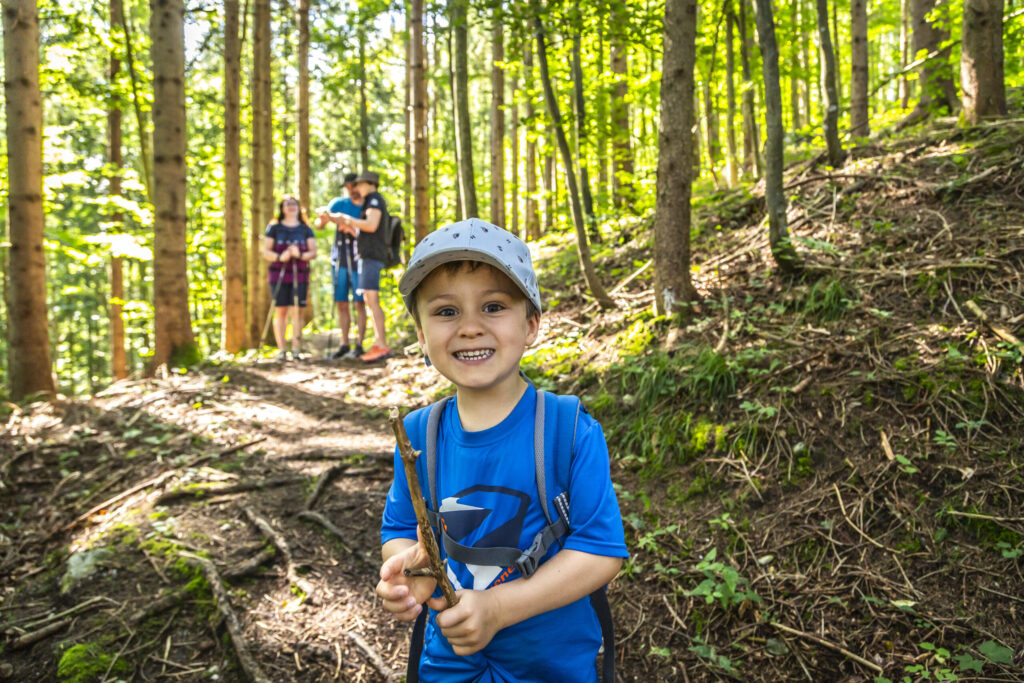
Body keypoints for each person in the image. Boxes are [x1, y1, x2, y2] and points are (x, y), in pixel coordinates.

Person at [377, 218, 628, 681]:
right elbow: (399, 529)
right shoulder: (418, 436)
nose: (470, 328)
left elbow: (600, 550)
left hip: (551, 669)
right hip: (449, 665)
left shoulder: (568, 430)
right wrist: (412, 571)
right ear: (421, 334)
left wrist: (497, 607)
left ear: (531, 324)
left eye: (493, 307)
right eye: (446, 311)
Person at [333, 170, 391, 363]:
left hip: (372, 256)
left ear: (369, 184)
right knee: (368, 298)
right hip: (367, 255)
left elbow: (371, 225)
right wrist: (351, 228)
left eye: (359, 184)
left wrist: (347, 219)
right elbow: (367, 231)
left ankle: (381, 344)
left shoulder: (374, 199)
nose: (356, 188)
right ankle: (379, 343)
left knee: (372, 299)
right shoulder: (370, 201)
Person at [316, 173, 367, 359]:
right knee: (341, 302)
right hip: (340, 258)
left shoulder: (369, 206)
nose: (351, 189)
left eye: (354, 186)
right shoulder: (338, 203)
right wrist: (325, 218)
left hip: (360, 257)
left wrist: (350, 227)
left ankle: (359, 344)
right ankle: (344, 343)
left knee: (360, 302)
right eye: (348, 186)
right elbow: (319, 224)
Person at [263, 195, 316, 360]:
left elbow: (313, 252)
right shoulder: (274, 228)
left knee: (297, 311)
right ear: (282, 208)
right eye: (288, 204)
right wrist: (281, 257)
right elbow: (266, 251)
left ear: (299, 207)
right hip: (278, 274)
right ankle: (281, 350)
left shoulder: (305, 229)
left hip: (300, 274)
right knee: (281, 311)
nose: (291, 206)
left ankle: (295, 349)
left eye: (294, 204)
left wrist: (299, 255)